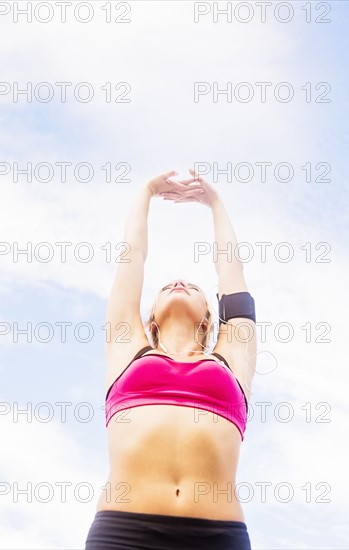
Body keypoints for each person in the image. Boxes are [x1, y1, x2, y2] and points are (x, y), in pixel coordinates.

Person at [84, 169, 257, 549]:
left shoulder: (232, 359)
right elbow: (132, 259)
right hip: (124, 530)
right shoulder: (128, 348)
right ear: (151, 316)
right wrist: (146, 192)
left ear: (210, 317)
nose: (179, 282)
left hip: (217, 536)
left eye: (193, 287)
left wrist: (216, 204)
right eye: (167, 287)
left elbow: (232, 272)